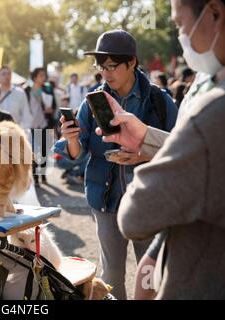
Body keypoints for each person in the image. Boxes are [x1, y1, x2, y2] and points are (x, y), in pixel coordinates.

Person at [96, 0, 225, 300]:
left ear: (215, 14)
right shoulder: (207, 81)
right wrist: (147, 139)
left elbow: (136, 214)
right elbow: (194, 155)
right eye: (101, 67)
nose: (181, 37)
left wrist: (149, 155)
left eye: (180, 24)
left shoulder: (214, 107)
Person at [58, 30, 179, 299]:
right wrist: (71, 138)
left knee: (150, 272)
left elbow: (182, 149)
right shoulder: (92, 102)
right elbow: (78, 153)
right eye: (101, 66)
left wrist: (144, 155)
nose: (106, 73)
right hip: (105, 199)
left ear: (132, 63)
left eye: (112, 66)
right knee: (111, 274)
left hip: (148, 200)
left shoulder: (159, 100)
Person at [23, 67, 57, 187]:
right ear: (35, 77)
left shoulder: (47, 88)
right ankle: (35, 177)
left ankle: (43, 175)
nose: (43, 78)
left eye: (44, 75)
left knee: (44, 151)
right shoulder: (26, 90)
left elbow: (54, 105)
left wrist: (51, 110)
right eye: (41, 75)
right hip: (31, 125)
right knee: (33, 152)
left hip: (44, 123)